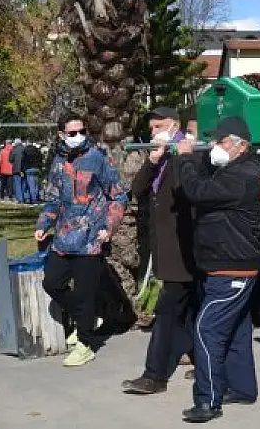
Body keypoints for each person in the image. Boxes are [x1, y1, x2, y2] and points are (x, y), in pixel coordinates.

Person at [174, 116, 260, 423]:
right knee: (237, 329)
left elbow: (197, 191)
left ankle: (208, 401)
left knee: (206, 329)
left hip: (233, 268)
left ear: (240, 145)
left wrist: (185, 158)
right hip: (227, 263)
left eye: (221, 142)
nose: (215, 147)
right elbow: (207, 183)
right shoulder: (235, 170)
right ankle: (241, 387)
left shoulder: (241, 176)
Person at [36, 114, 127, 368]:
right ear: (61, 135)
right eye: (72, 132)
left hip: (91, 237)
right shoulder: (57, 162)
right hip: (64, 237)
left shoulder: (98, 158)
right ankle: (85, 317)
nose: (78, 137)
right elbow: (53, 199)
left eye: (81, 131)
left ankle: (86, 343)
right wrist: (43, 225)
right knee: (52, 283)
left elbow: (118, 197)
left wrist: (109, 226)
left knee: (85, 292)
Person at [122, 107, 198, 396]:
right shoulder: (158, 155)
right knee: (188, 308)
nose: (154, 133)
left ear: (175, 126)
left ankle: (154, 374)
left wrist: (182, 155)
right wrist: (152, 161)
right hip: (164, 246)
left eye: (160, 127)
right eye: (151, 128)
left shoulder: (188, 152)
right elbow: (139, 190)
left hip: (184, 247)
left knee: (167, 311)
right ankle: (202, 362)